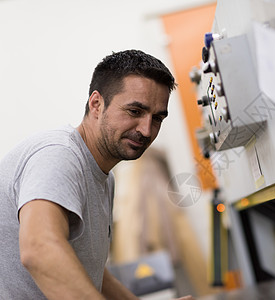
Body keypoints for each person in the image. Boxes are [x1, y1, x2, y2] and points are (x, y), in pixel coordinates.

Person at [0, 50, 192, 299]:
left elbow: (94, 273)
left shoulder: (104, 177)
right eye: (135, 111)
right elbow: (39, 249)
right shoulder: (59, 155)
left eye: (157, 118)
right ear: (96, 104)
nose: (146, 130)